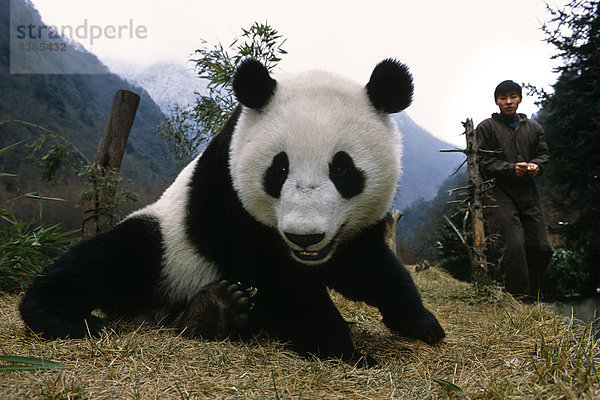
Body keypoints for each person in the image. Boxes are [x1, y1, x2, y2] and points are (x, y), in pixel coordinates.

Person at [475, 80, 553, 301]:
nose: (508, 102)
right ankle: (518, 302)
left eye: (512, 96)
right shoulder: (486, 128)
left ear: (519, 98)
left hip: (528, 191)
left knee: (541, 246)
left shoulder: (533, 128)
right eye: (502, 98)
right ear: (496, 102)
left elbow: (543, 154)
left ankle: (532, 295)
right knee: (513, 247)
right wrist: (510, 169)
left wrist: (537, 166)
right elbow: (482, 162)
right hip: (498, 192)